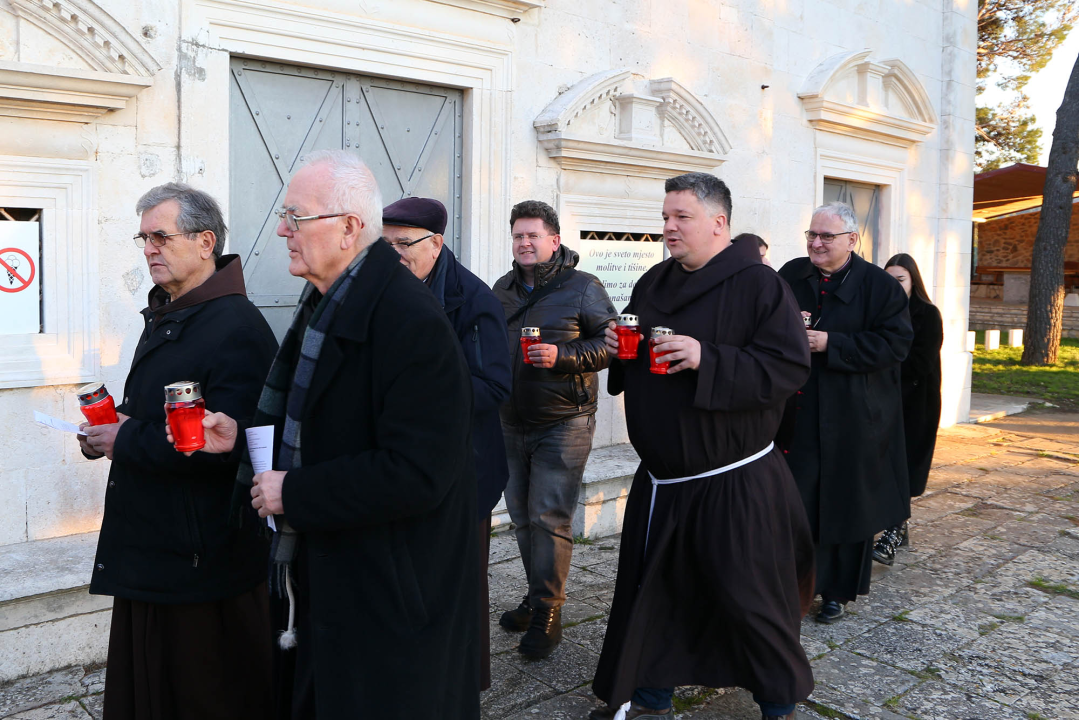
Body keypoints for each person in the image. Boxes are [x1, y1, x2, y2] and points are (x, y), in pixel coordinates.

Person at [170, 151, 480, 719]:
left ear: (348, 228)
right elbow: (319, 428)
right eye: (285, 215)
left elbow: (419, 472)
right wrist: (238, 437)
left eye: (297, 216)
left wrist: (297, 493)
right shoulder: (325, 306)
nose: (282, 229)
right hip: (332, 579)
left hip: (389, 591)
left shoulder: (409, 323)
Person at [588, 173, 814, 720]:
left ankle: (779, 703)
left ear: (719, 223)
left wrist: (707, 358)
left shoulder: (761, 286)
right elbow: (635, 347)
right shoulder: (653, 282)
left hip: (733, 480)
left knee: (748, 597)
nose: (667, 227)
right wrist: (625, 353)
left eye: (680, 217)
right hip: (664, 480)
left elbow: (788, 367)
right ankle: (650, 696)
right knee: (657, 592)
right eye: (665, 217)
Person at [81, 182, 278, 719]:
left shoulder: (236, 326)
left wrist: (129, 439)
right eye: (143, 238)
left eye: (161, 237)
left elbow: (226, 444)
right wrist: (114, 427)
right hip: (156, 540)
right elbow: (161, 412)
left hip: (202, 556)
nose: (149, 249)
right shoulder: (171, 312)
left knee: (203, 691)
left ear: (205, 241)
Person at [382, 196, 512, 690]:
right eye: (385, 242)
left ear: (436, 244)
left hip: (466, 470)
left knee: (458, 584)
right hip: (407, 467)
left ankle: (462, 680)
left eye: (403, 244)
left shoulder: (473, 300)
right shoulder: (389, 290)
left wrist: (418, 395)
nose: (392, 254)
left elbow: (493, 386)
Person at [777, 202, 913, 624]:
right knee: (796, 503)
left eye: (826, 237)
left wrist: (830, 344)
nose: (816, 244)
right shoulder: (791, 274)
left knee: (845, 505)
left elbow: (895, 345)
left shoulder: (879, 286)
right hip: (797, 413)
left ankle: (837, 591)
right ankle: (792, 586)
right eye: (811, 235)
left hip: (855, 417)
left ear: (852, 240)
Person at [492, 199, 616, 659]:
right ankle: (536, 593)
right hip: (509, 420)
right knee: (522, 516)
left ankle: (548, 612)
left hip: (564, 421)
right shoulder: (501, 288)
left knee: (548, 516)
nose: (525, 243)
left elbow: (612, 343)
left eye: (533, 235)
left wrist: (562, 358)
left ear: (554, 240)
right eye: (518, 235)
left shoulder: (583, 287)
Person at [874, 253, 943, 565]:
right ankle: (896, 527)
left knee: (904, 465)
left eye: (900, 279)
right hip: (880, 401)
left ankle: (893, 532)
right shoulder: (877, 312)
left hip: (915, 403)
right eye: (888, 278)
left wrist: (878, 362)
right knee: (883, 466)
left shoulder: (928, 314)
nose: (893, 285)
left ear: (913, 280)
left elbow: (921, 362)